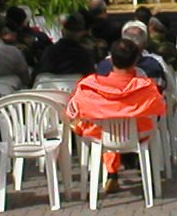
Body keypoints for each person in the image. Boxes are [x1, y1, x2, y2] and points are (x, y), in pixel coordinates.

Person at [66, 37, 167, 194]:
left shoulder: (90, 86)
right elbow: (160, 109)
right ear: (135, 60)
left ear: (111, 59)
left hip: (100, 135)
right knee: (126, 125)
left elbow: (73, 110)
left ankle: (111, 172)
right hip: (139, 134)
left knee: (102, 126)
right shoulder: (146, 87)